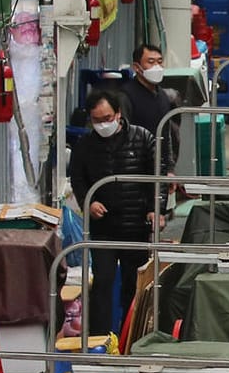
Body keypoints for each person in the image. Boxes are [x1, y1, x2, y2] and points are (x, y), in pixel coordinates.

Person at [68, 90, 171, 335]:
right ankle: (99, 338)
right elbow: (78, 180)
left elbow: (157, 176)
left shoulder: (142, 138)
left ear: (118, 114)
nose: (103, 124)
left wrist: (156, 209)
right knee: (102, 282)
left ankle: (130, 336)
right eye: (97, 120)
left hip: (135, 225)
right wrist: (88, 203)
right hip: (103, 228)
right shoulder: (85, 146)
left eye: (107, 118)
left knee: (132, 285)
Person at [119, 43, 180, 166]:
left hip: (160, 167)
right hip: (135, 167)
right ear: (137, 67)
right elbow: (122, 136)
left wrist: (170, 168)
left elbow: (168, 135)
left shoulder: (163, 96)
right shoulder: (126, 95)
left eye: (159, 61)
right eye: (150, 62)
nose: (156, 67)